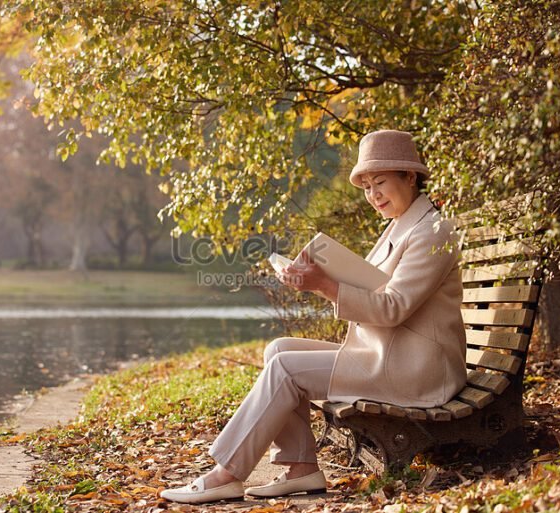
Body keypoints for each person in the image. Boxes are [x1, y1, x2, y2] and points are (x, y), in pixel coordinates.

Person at [160, 129, 467, 504]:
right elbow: (374, 292)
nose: (374, 195)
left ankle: (226, 474)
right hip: (387, 353)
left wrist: (325, 285)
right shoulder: (400, 225)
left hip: (416, 369)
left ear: (410, 176)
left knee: (286, 370)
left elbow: (393, 307)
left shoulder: (433, 231)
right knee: (278, 349)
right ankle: (300, 467)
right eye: (367, 186)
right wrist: (316, 279)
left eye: (381, 182)